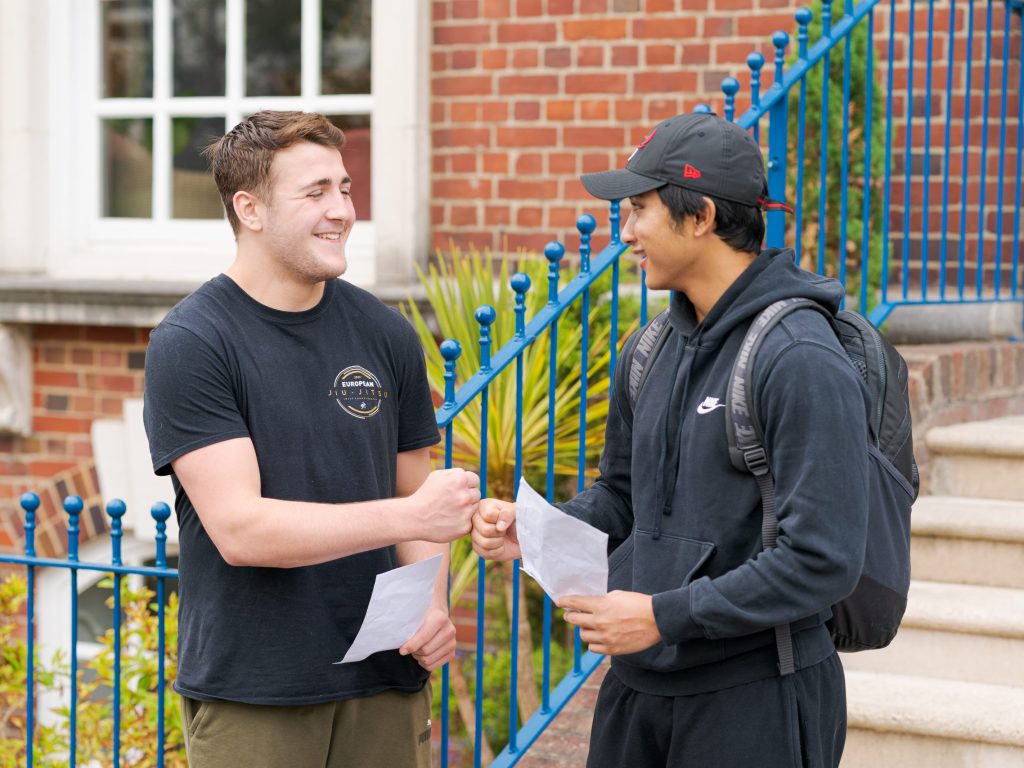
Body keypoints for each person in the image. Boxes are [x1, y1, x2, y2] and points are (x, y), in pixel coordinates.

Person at [471, 113, 869, 767]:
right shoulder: (649, 349)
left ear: (701, 216)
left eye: (638, 210)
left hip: (754, 698)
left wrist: (666, 616)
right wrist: (538, 528)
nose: (623, 232)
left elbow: (823, 561)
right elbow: (621, 500)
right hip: (638, 689)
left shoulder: (798, 356)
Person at [143, 110, 480, 768]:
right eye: (316, 192)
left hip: (386, 680)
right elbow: (241, 531)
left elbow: (420, 501)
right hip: (258, 694)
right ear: (251, 209)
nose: (342, 211)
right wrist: (409, 514)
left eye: (345, 188)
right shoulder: (195, 343)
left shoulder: (386, 334)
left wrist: (430, 608)